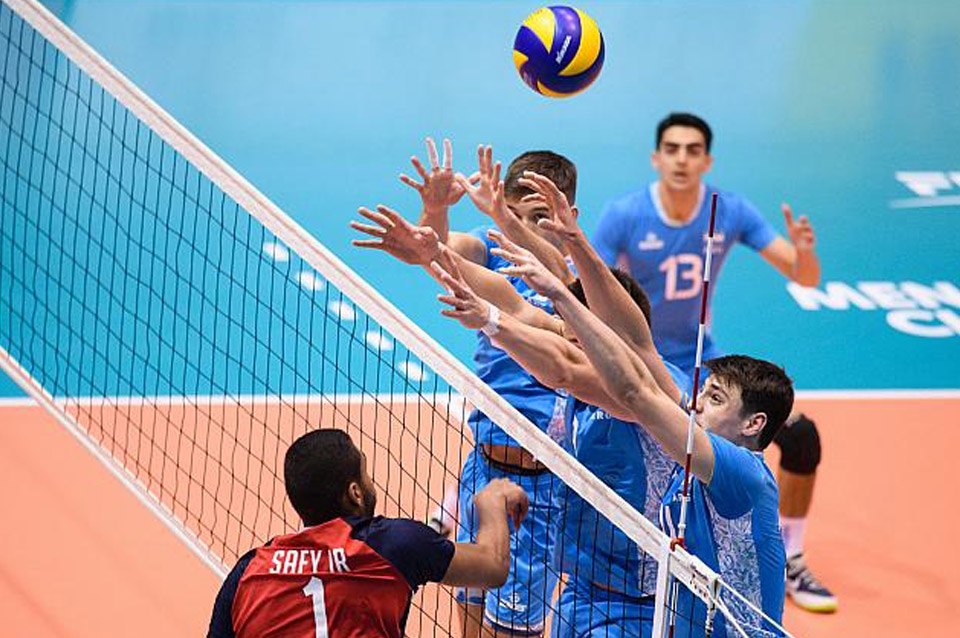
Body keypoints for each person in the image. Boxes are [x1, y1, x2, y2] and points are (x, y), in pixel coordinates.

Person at [468, 228, 791, 636]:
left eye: (714, 398)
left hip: (648, 611)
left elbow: (634, 382)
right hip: (614, 600)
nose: (694, 404)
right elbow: (623, 346)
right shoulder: (691, 471)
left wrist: (560, 292)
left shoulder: (741, 471)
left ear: (753, 424)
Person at [593, 112, 835, 612]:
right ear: (656, 158)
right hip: (650, 362)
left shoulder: (729, 211)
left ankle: (791, 555)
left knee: (801, 437)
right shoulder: (625, 215)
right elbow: (591, 285)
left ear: (707, 160)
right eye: (672, 149)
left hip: (708, 368)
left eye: (693, 150)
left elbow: (804, 276)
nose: (682, 159)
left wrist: (805, 253)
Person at [352, 140, 577, 637]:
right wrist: (435, 207)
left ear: (567, 216)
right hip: (484, 470)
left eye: (537, 218)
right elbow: (436, 250)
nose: (519, 229)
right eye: (512, 214)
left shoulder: (578, 283)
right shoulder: (490, 251)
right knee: (469, 616)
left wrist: (507, 223)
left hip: (542, 481)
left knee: (512, 631)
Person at [207, 428, 529, 638]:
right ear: (355, 493)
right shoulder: (392, 544)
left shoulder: (247, 572)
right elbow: (493, 566)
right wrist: (491, 500)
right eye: (365, 473)